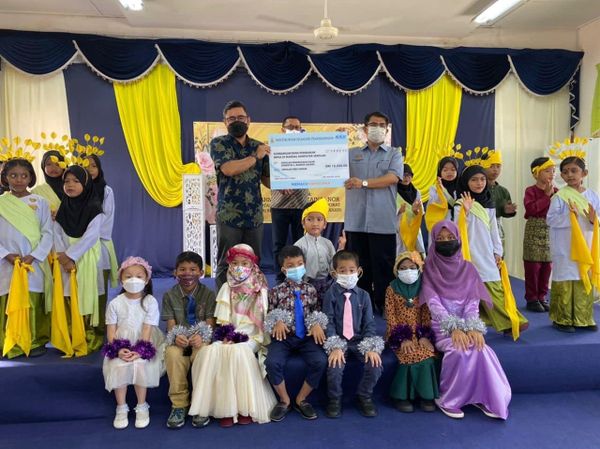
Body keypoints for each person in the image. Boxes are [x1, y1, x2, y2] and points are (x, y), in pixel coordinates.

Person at [422, 221, 511, 420]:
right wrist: (453, 328)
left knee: (481, 349)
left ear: (459, 239)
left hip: (466, 324)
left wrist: (472, 328)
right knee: (458, 350)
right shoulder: (430, 267)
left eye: (450, 238)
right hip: (441, 327)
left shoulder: (469, 268)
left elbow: (472, 302)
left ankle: (482, 396)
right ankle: (448, 399)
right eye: (440, 239)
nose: (446, 242)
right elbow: (433, 303)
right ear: (434, 242)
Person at [189, 244, 276, 427]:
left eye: (244, 263)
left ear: (252, 265)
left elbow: (261, 323)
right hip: (229, 334)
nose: (239, 267)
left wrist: (242, 338)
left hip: (253, 336)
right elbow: (224, 320)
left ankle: (245, 408)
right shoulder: (226, 288)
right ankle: (224, 409)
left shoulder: (260, 289)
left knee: (239, 353)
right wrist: (227, 336)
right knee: (211, 352)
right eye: (235, 263)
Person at [455, 163, 528, 338]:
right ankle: (506, 321)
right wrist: (465, 212)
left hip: (486, 252)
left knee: (493, 286)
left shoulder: (489, 204)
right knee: (474, 290)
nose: (479, 183)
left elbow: (494, 230)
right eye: (474, 180)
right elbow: (457, 229)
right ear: (466, 182)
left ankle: (509, 321)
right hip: (469, 253)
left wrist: (497, 252)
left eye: (482, 179)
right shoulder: (460, 204)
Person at [344, 111, 403, 312]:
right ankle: (361, 306)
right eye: (373, 124)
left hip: (383, 221)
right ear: (365, 128)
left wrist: (363, 183)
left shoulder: (394, 154)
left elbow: (393, 178)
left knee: (384, 266)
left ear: (386, 130)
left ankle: (385, 306)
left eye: (381, 125)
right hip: (356, 220)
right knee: (359, 267)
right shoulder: (350, 154)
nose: (377, 128)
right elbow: (330, 169)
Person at [211, 100, 270, 290]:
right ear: (225, 122)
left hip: (254, 215)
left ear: (248, 120)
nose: (237, 121)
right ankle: (224, 305)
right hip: (229, 215)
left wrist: (288, 182)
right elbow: (228, 169)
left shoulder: (259, 146)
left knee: (253, 262)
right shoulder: (219, 143)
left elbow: (267, 180)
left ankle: (252, 303)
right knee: (226, 262)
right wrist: (255, 157)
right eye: (232, 118)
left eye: (241, 117)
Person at [265, 245, 328, 422]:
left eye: (299, 264)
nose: (296, 268)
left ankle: (301, 399)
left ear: (304, 265)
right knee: (272, 362)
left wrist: (317, 323)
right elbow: (269, 314)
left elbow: (317, 311)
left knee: (320, 361)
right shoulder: (275, 291)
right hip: (284, 338)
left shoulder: (311, 290)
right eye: (291, 265)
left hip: (306, 337)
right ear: (284, 269)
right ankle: (284, 400)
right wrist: (276, 321)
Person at [102, 256, 165, 429]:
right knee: (118, 365)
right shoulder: (115, 303)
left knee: (141, 364)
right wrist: (118, 349)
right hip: (120, 342)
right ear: (121, 279)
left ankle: (142, 405)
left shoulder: (150, 301)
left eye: (138, 276)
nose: (133, 280)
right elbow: (111, 331)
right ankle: (121, 407)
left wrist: (140, 350)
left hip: (145, 340)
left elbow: (147, 330)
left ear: (146, 280)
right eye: (128, 276)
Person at [0, 155, 53, 358]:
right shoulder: (1, 202)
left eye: (24, 175)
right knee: (7, 300)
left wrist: (34, 255)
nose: (19, 180)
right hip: (6, 263)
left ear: (31, 177)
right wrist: (5, 254)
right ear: (5, 178)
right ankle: (7, 341)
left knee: (32, 300)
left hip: (33, 263)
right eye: (13, 175)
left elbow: (47, 232)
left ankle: (34, 341)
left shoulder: (40, 202)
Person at [322, 250, 384, 418]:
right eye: (342, 271)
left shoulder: (364, 296)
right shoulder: (330, 294)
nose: (347, 274)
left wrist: (370, 346)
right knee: (334, 368)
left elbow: (369, 324)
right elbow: (328, 322)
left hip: (359, 341)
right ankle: (334, 399)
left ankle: (364, 396)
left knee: (375, 365)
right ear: (334, 273)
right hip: (338, 341)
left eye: (351, 270)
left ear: (359, 271)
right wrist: (335, 346)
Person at [162, 251, 216, 429]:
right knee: (172, 354)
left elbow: (210, 323)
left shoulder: (208, 294)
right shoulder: (169, 295)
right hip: (180, 339)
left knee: (204, 353)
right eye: (182, 269)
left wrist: (202, 337)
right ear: (175, 272)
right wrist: (176, 337)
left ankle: (201, 403)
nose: (187, 273)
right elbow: (170, 325)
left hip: (200, 338)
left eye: (193, 269)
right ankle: (179, 404)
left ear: (201, 272)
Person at [53, 164, 104, 352]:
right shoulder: (64, 207)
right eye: (66, 181)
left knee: (86, 295)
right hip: (64, 259)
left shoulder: (94, 208)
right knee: (68, 295)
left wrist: (71, 256)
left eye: (75, 181)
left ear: (85, 183)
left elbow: (91, 237)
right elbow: (57, 232)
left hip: (86, 257)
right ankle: (71, 336)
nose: (70, 185)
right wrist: (63, 256)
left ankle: (88, 337)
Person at [547, 155, 600, 332]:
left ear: (584, 173)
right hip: (565, 245)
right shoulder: (559, 197)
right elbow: (550, 219)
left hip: (586, 244)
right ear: (561, 176)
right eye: (565, 172)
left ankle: (583, 318)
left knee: (583, 277)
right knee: (566, 278)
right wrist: (570, 217)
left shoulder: (592, 195)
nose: (569, 175)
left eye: (574, 171)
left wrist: (594, 220)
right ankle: (562, 319)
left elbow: (597, 218)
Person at [385, 251, 437, 413]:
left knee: (427, 356)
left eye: (412, 267)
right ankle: (401, 396)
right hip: (399, 334)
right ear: (397, 270)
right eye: (403, 268)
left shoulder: (423, 288)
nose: (408, 271)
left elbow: (426, 315)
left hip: (419, 334)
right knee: (409, 355)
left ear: (418, 269)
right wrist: (402, 338)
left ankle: (426, 395)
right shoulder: (391, 289)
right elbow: (391, 317)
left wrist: (425, 336)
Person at [86, 152, 119, 350]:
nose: (90, 170)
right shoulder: (73, 191)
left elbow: (105, 223)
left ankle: (97, 332)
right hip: (78, 251)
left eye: (93, 166)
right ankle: (80, 331)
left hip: (98, 247)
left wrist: (86, 240)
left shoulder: (106, 191)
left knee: (98, 291)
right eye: (85, 166)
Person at [271, 116, 309, 282]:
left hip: (301, 204)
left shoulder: (308, 150)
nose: (294, 130)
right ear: (282, 130)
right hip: (279, 204)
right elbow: (267, 174)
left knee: (300, 244)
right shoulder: (272, 149)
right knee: (278, 245)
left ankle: (299, 277)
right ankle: (280, 278)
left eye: (297, 127)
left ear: (301, 129)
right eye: (290, 127)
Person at [523, 157, 557, 313]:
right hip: (534, 229)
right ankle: (532, 298)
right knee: (533, 265)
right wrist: (546, 196)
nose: (552, 174)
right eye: (547, 171)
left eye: (553, 171)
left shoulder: (557, 192)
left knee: (547, 265)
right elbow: (531, 210)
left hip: (550, 230)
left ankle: (542, 296)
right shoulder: (530, 191)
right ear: (536, 173)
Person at [294, 198, 343, 300]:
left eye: (319, 219)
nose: (315, 223)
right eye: (310, 219)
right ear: (303, 223)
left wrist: (341, 248)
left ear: (325, 224)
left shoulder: (328, 243)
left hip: (327, 285)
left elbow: (334, 265)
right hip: (307, 286)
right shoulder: (299, 245)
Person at [482, 150, 517, 252]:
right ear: (483, 166)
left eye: (498, 166)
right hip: (481, 228)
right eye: (491, 166)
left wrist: (508, 211)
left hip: (497, 230)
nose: (495, 170)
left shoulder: (503, 191)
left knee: (498, 256)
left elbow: (504, 212)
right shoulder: (478, 189)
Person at [396, 164, 425, 254]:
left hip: (414, 228)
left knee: (416, 254)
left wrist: (416, 211)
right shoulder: (393, 192)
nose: (406, 178)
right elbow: (387, 211)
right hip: (399, 228)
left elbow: (421, 212)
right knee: (401, 254)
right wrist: (399, 211)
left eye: (409, 175)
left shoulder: (416, 192)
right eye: (404, 175)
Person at [425, 156, 459, 231]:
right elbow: (432, 207)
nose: (449, 172)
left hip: (457, 222)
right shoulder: (434, 188)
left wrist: (444, 191)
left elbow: (458, 206)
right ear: (440, 172)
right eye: (445, 170)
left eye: (453, 170)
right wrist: (440, 190)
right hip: (439, 222)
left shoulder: (461, 188)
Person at [32, 150, 65, 217]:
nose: (53, 168)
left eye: (57, 164)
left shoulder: (73, 186)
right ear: (43, 167)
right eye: (49, 164)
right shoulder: (37, 191)